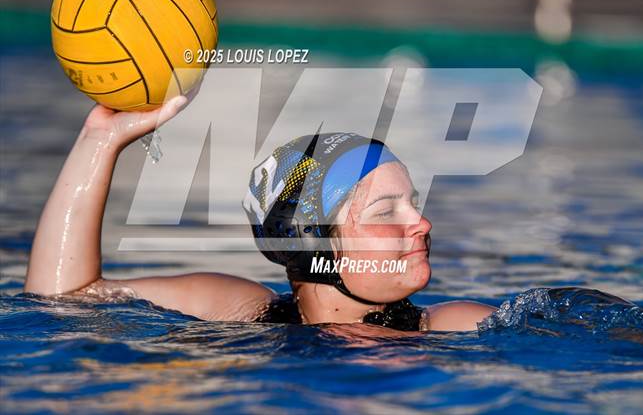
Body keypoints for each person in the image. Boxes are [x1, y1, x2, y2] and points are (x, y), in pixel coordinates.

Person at [24, 98, 495, 332]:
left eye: (413, 202)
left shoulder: (454, 326)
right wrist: (101, 141)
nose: (422, 223)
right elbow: (62, 299)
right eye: (386, 210)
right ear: (311, 240)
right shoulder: (246, 312)